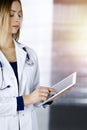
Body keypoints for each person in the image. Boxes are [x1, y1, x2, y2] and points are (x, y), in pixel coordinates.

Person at [0, 0, 55, 130]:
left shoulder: (29, 54)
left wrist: (45, 97)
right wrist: (25, 100)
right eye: (12, 14)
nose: (17, 19)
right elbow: (28, 99)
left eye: (20, 14)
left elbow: (33, 97)